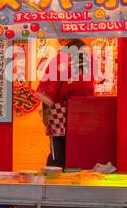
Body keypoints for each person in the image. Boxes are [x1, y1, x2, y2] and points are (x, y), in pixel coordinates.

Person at [37, 39, 93, 168]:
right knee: (78, 155)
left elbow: (47, 91)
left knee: (58, 156)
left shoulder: (60, 60)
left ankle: (53, 184)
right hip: (84, 117)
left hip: (60, 114)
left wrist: (46, 115)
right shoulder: (87, 63)